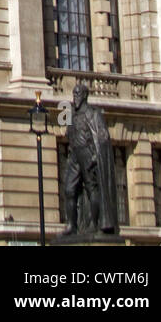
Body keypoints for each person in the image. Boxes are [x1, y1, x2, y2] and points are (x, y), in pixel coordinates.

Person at [62, 82, 118, 234]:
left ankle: (95, 223)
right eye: (74, 94)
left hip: (88, 153)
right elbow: (68, 133)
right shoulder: (70, 113)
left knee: (92, 189)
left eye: (78, 94)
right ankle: (71, 225)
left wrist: (95, 156)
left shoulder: (94, 113)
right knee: (69, 189)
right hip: (74, 155)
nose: (75, 97)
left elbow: (103, 137)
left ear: (85, 95)